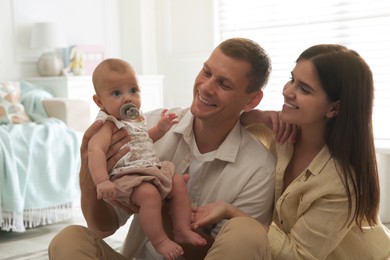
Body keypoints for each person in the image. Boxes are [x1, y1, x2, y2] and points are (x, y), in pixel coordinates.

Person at [48, 37, 277, 259]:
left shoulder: (258, 169)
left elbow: (229, 253)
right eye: (206, 72)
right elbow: (103, 227)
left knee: (246, 235)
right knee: (70, 239)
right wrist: (88, 166)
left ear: (251, 101)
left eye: (224, 84)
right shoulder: (143, 127)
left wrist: (165, 206)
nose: (206, 87)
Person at [191, 44, 390, 259]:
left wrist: (231, 212)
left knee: (242, 232)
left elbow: (298, 256)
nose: (287, 91)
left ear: (334, 108)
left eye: (304, 89)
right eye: (291, 79)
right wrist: (257, 116)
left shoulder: (340, 182)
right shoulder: (282, 135)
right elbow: (225, 116)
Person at [87, 58, 207, 259]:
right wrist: (102, 181)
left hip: (150, 169)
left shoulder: (135, 119)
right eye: (117, 93)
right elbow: (95, 151)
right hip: (128, 177)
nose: (128, 98)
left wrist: (160, 129)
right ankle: (160, 240)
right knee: (149, 195)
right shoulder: (108, 125)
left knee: (177, 180)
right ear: (99, 101)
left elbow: (143, 140)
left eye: (133, 90)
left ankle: (181, 228)